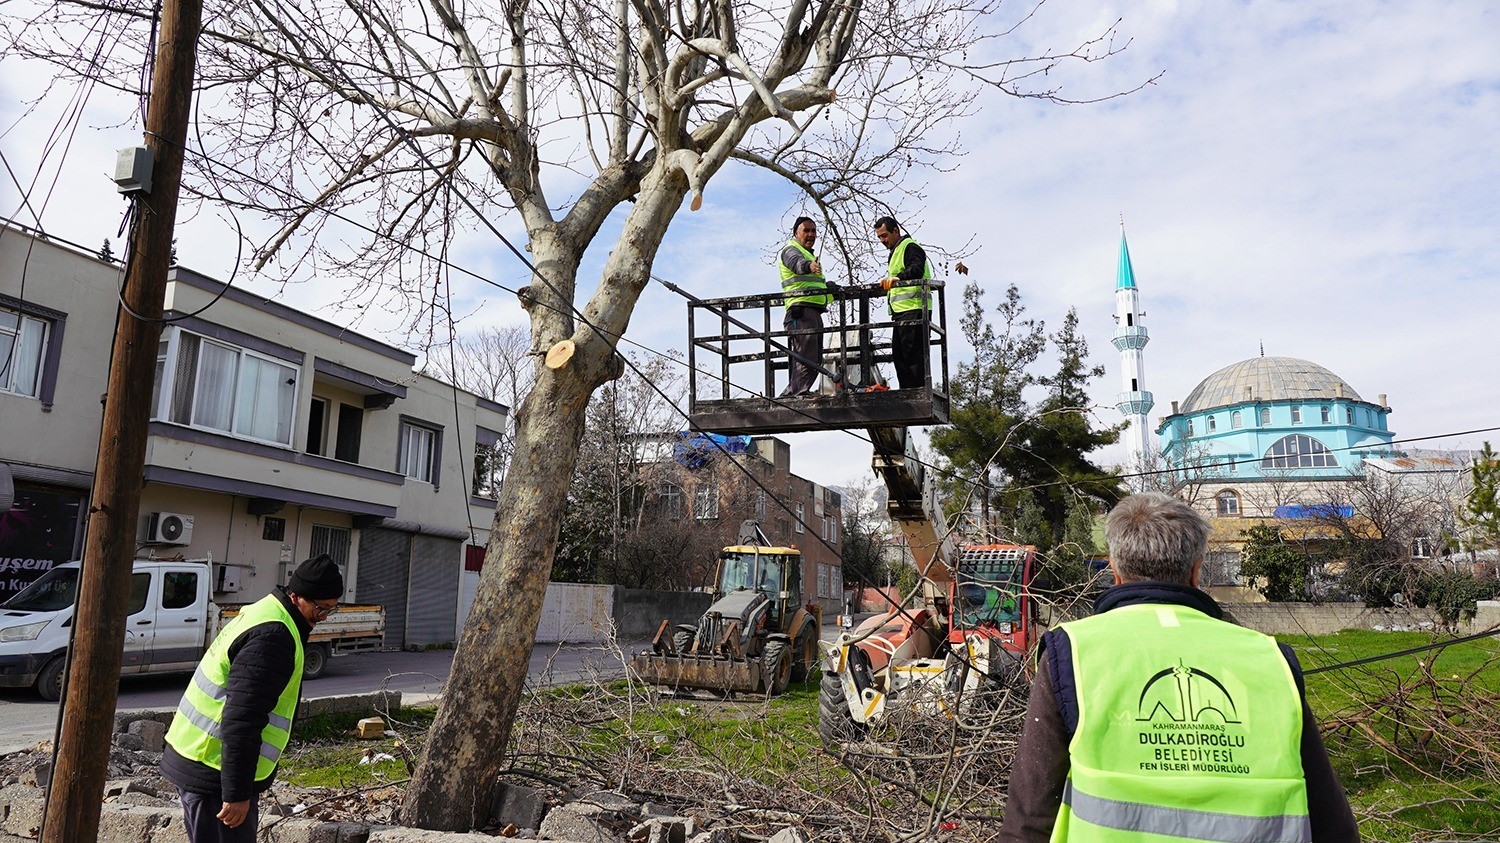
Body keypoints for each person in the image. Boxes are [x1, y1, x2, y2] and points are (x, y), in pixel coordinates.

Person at [1000, 492, 1359, 843]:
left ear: (1115, 570)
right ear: (1196, 571)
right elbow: (1333, 825)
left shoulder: (1073, 651)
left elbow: (1030, 818)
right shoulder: (1269, 657)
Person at [163, 555, 345, 842]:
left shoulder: (266, 611)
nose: (322, 619)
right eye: (321, 610)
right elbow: (243, 719)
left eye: (330, 612)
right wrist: (235, 793)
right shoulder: (274, 636)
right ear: (297, 596)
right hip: (215, 773)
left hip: (204, 760)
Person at [873, 216, 942, 390]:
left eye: (884, 235)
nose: (882, 240)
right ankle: (907, 392)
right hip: (902, 312)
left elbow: (916, 269)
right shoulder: (896, 250)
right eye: (880, 237)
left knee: (912, 357)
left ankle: (915, 392)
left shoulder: (910, 247)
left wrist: (899, 278)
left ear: (895, 230)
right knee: (900, 356)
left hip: (915, 309)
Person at [777, 216, 834, 396]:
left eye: (813, 231)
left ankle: (794, 392)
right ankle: (797, 393)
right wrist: (808, 266)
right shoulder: (791, 250)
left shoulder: (809, 254)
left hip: (812, 313)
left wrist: (833, 290)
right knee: (806, 357)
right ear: (796, 233)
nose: (811, 234)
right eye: (806, 231)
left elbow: (815, 288)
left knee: (813, 358)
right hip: (800, 313)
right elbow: (796, 264)